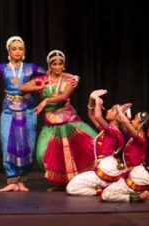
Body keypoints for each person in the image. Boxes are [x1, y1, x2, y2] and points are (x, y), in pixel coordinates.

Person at [0, 36, 47, 192]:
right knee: (7, 142)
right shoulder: (2, 68)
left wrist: (68, 78)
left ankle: (21, 179)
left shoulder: (30, 68)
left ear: (24, 51)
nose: (17, 51)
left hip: (27, 108)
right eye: (14, 48)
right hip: (8, 109)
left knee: (27, 143)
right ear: (9, 51)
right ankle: (11, 179)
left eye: (20, 48)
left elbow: (50, 74)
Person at [20, 50, 96, 191]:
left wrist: (46, 100)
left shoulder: (70, 79)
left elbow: (63, 96)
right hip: (51, 122)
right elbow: (22, 87)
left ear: (64, 66)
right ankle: (60, 182)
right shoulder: (43, 79)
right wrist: (38, 87)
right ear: (49, 66)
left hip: (69, 120)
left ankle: (74, 182)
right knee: (42, 153)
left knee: (82, 148)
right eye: (54, 64)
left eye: (60, 64)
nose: (57, 66)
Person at [66, 90, 130, 196]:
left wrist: (98, 103)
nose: (108, 110)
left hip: (107, 169)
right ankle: (107, 187)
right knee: (77, 182)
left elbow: (98, 117)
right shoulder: (108, 130)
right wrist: (92, 98)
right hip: (106, 168)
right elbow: (92, 115)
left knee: (71, 187)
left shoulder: (113, 131)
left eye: (112, 110)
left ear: (118, 117)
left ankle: (102, 191)